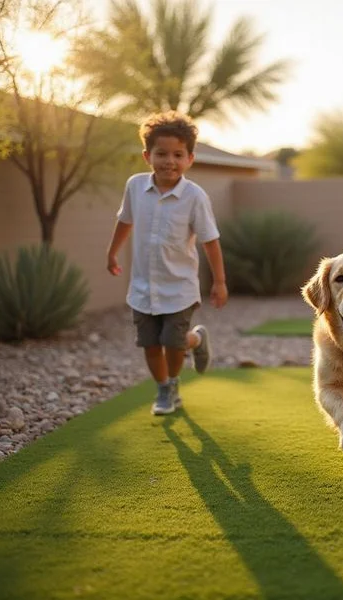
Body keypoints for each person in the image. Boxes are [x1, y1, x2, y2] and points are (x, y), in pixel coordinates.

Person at [106, 111, 228, 416]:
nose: (169, 161)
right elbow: (125, 221)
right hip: (142, 287)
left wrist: (220, 281)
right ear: (148, 155)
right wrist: (112, 252)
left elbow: (210, 240)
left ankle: (175, 378)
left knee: (173, 343)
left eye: (178, 154)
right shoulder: (135, 186)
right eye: (161, 154)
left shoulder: (195, 197)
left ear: (190, 158)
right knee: (150, 343)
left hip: (180, 287)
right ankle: (163, 387)